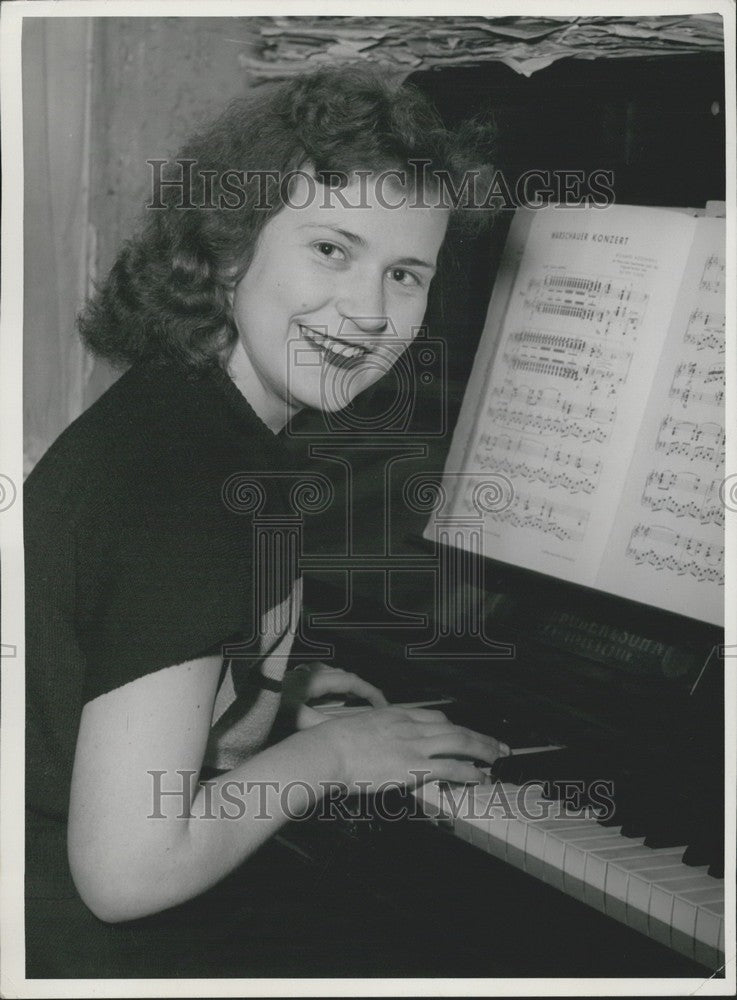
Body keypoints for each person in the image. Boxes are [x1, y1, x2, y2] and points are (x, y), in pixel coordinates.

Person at [24, 65, 504, 978]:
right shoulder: (192, 495)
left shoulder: (180, 416)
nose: (367, 313)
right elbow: (126, 874)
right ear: (231, 244)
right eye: (331, 249)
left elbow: (110, 647)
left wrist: (262, 695)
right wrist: (334, 753)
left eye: (405, 273)